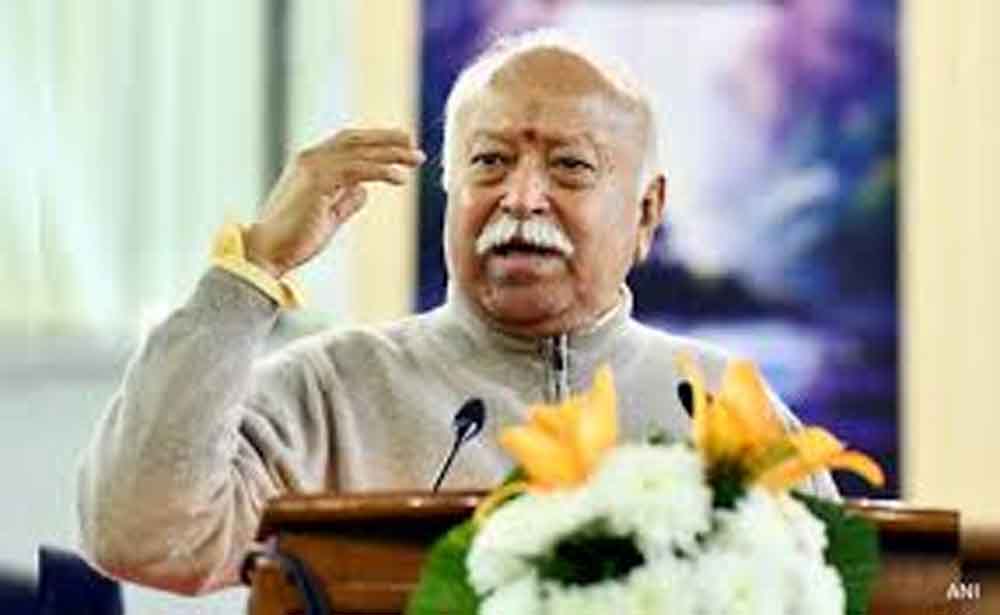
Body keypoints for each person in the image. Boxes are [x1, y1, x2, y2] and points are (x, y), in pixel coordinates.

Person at [77, 31, 838, 596]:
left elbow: (846, 588)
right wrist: (252, 270)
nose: (522, 198)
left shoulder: (720, 404)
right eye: (489, 161)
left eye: (570, 166)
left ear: (646, 213)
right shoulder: (331, 390)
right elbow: (138, 535)